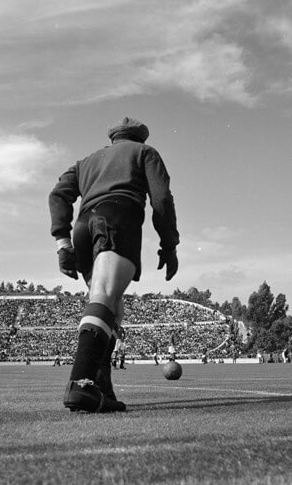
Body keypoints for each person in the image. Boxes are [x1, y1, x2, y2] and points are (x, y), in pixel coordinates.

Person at [49, 116, 179, 413]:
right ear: (139, 138)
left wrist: (62, 243)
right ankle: (80, 384)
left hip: (83, 227)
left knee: (113, 307)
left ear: (113, 138)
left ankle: (102, 390)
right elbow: (161, 199)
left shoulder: (86, 162)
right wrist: (169, 244)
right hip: (118, 218)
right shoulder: (145, 153)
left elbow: (58, 194)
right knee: (105, 296)